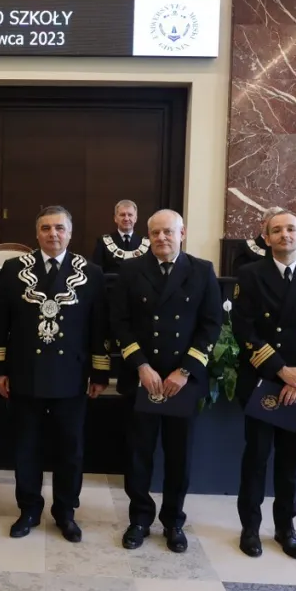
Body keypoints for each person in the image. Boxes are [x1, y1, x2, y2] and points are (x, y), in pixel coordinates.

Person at [0, 205, 109, 542]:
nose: (53, 234)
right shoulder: (14, 269)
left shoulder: (91, 272)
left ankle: (65, 512)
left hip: (72, 377)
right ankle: (28, 509)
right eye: (46, 228)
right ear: (36, 233)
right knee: (27, 447)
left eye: (59, 228)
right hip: (25, 374)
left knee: (70, 450)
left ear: (70, 233)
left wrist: (100, 373)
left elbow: (99, 326)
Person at [110, 210, 222, 552]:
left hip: (180, 381)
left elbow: (211, 325)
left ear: (182, 233)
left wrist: (185, 370)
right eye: (155, 233)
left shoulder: (201, 270)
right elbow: (119, 322)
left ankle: (173, 521)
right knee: (138, 455)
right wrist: (141, 366)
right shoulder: (131, 270)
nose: (161, 238)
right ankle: (139, 519)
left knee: (179, 456)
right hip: (142, 377)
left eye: (168, 232)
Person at [232, 208, 296, 560]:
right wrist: (281, 370)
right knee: (256, 458)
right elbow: (244, 329)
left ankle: (285, 528)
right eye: (276, 230)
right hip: (263, 381)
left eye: (291, 229)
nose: (284, 235)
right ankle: (250, 527)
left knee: (290, 461)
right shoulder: (249, 274)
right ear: (266, 238)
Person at [91, 199, 149, 274]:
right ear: (115, 218)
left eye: (130, 215)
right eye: (122, 215)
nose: (126, 219)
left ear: (135, 218)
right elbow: (96, 271)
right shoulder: (103, 242)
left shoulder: (146, 243)